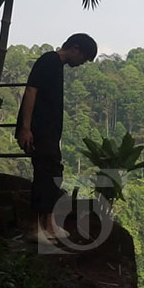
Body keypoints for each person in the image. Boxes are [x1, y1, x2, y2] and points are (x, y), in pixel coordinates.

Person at [16, 33, 97, 244]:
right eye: (84, 58)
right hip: (38, 129)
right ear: (75, 48)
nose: (81, 64)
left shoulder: (56, 65)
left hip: (48, 132)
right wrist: (26, 127)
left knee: (52, 174)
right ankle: (35, 226)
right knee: (44, 175)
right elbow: (31, 91)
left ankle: (49, 224)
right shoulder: (49, 60)